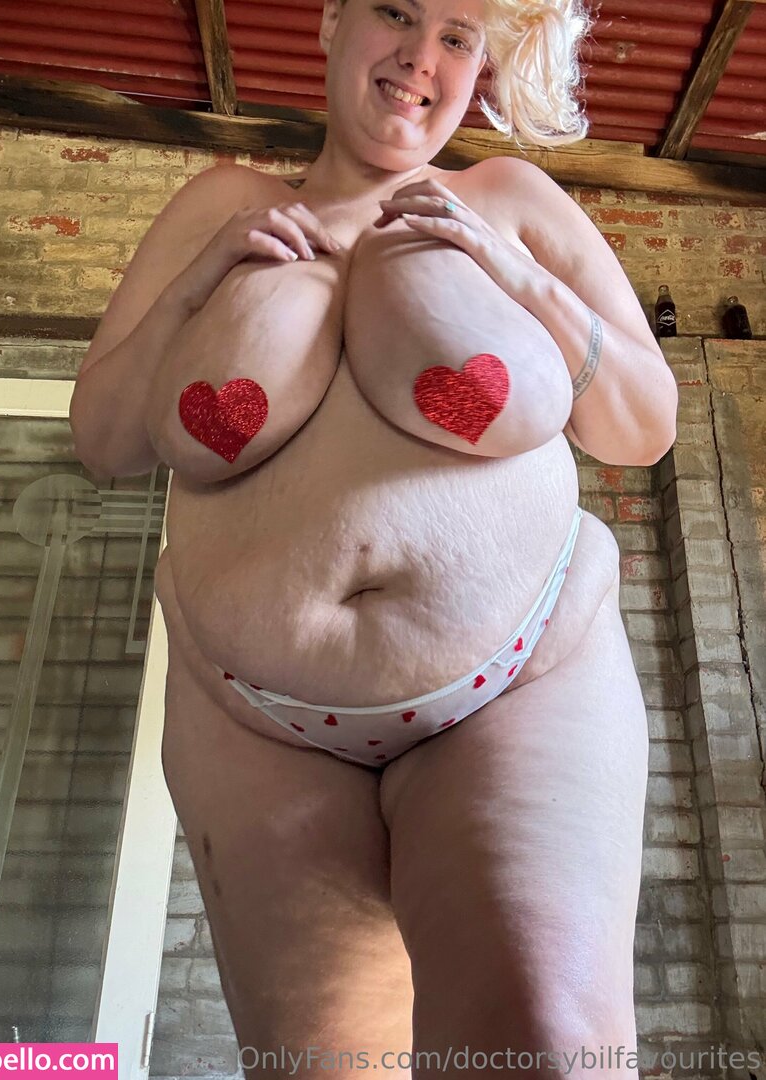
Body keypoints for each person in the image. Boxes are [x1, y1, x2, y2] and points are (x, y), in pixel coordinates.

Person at [70, 0, 679, 1075]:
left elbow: (643, 424)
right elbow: (105, 439)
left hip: (521, 683)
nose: (419, 56)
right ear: (330, 22)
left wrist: (517, 274)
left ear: (480, 67)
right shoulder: (224, 205)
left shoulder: (508, 198)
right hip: (254, 721)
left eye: (457, 36)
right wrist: (203, 281)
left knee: (546, 1046)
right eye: (395, 11)